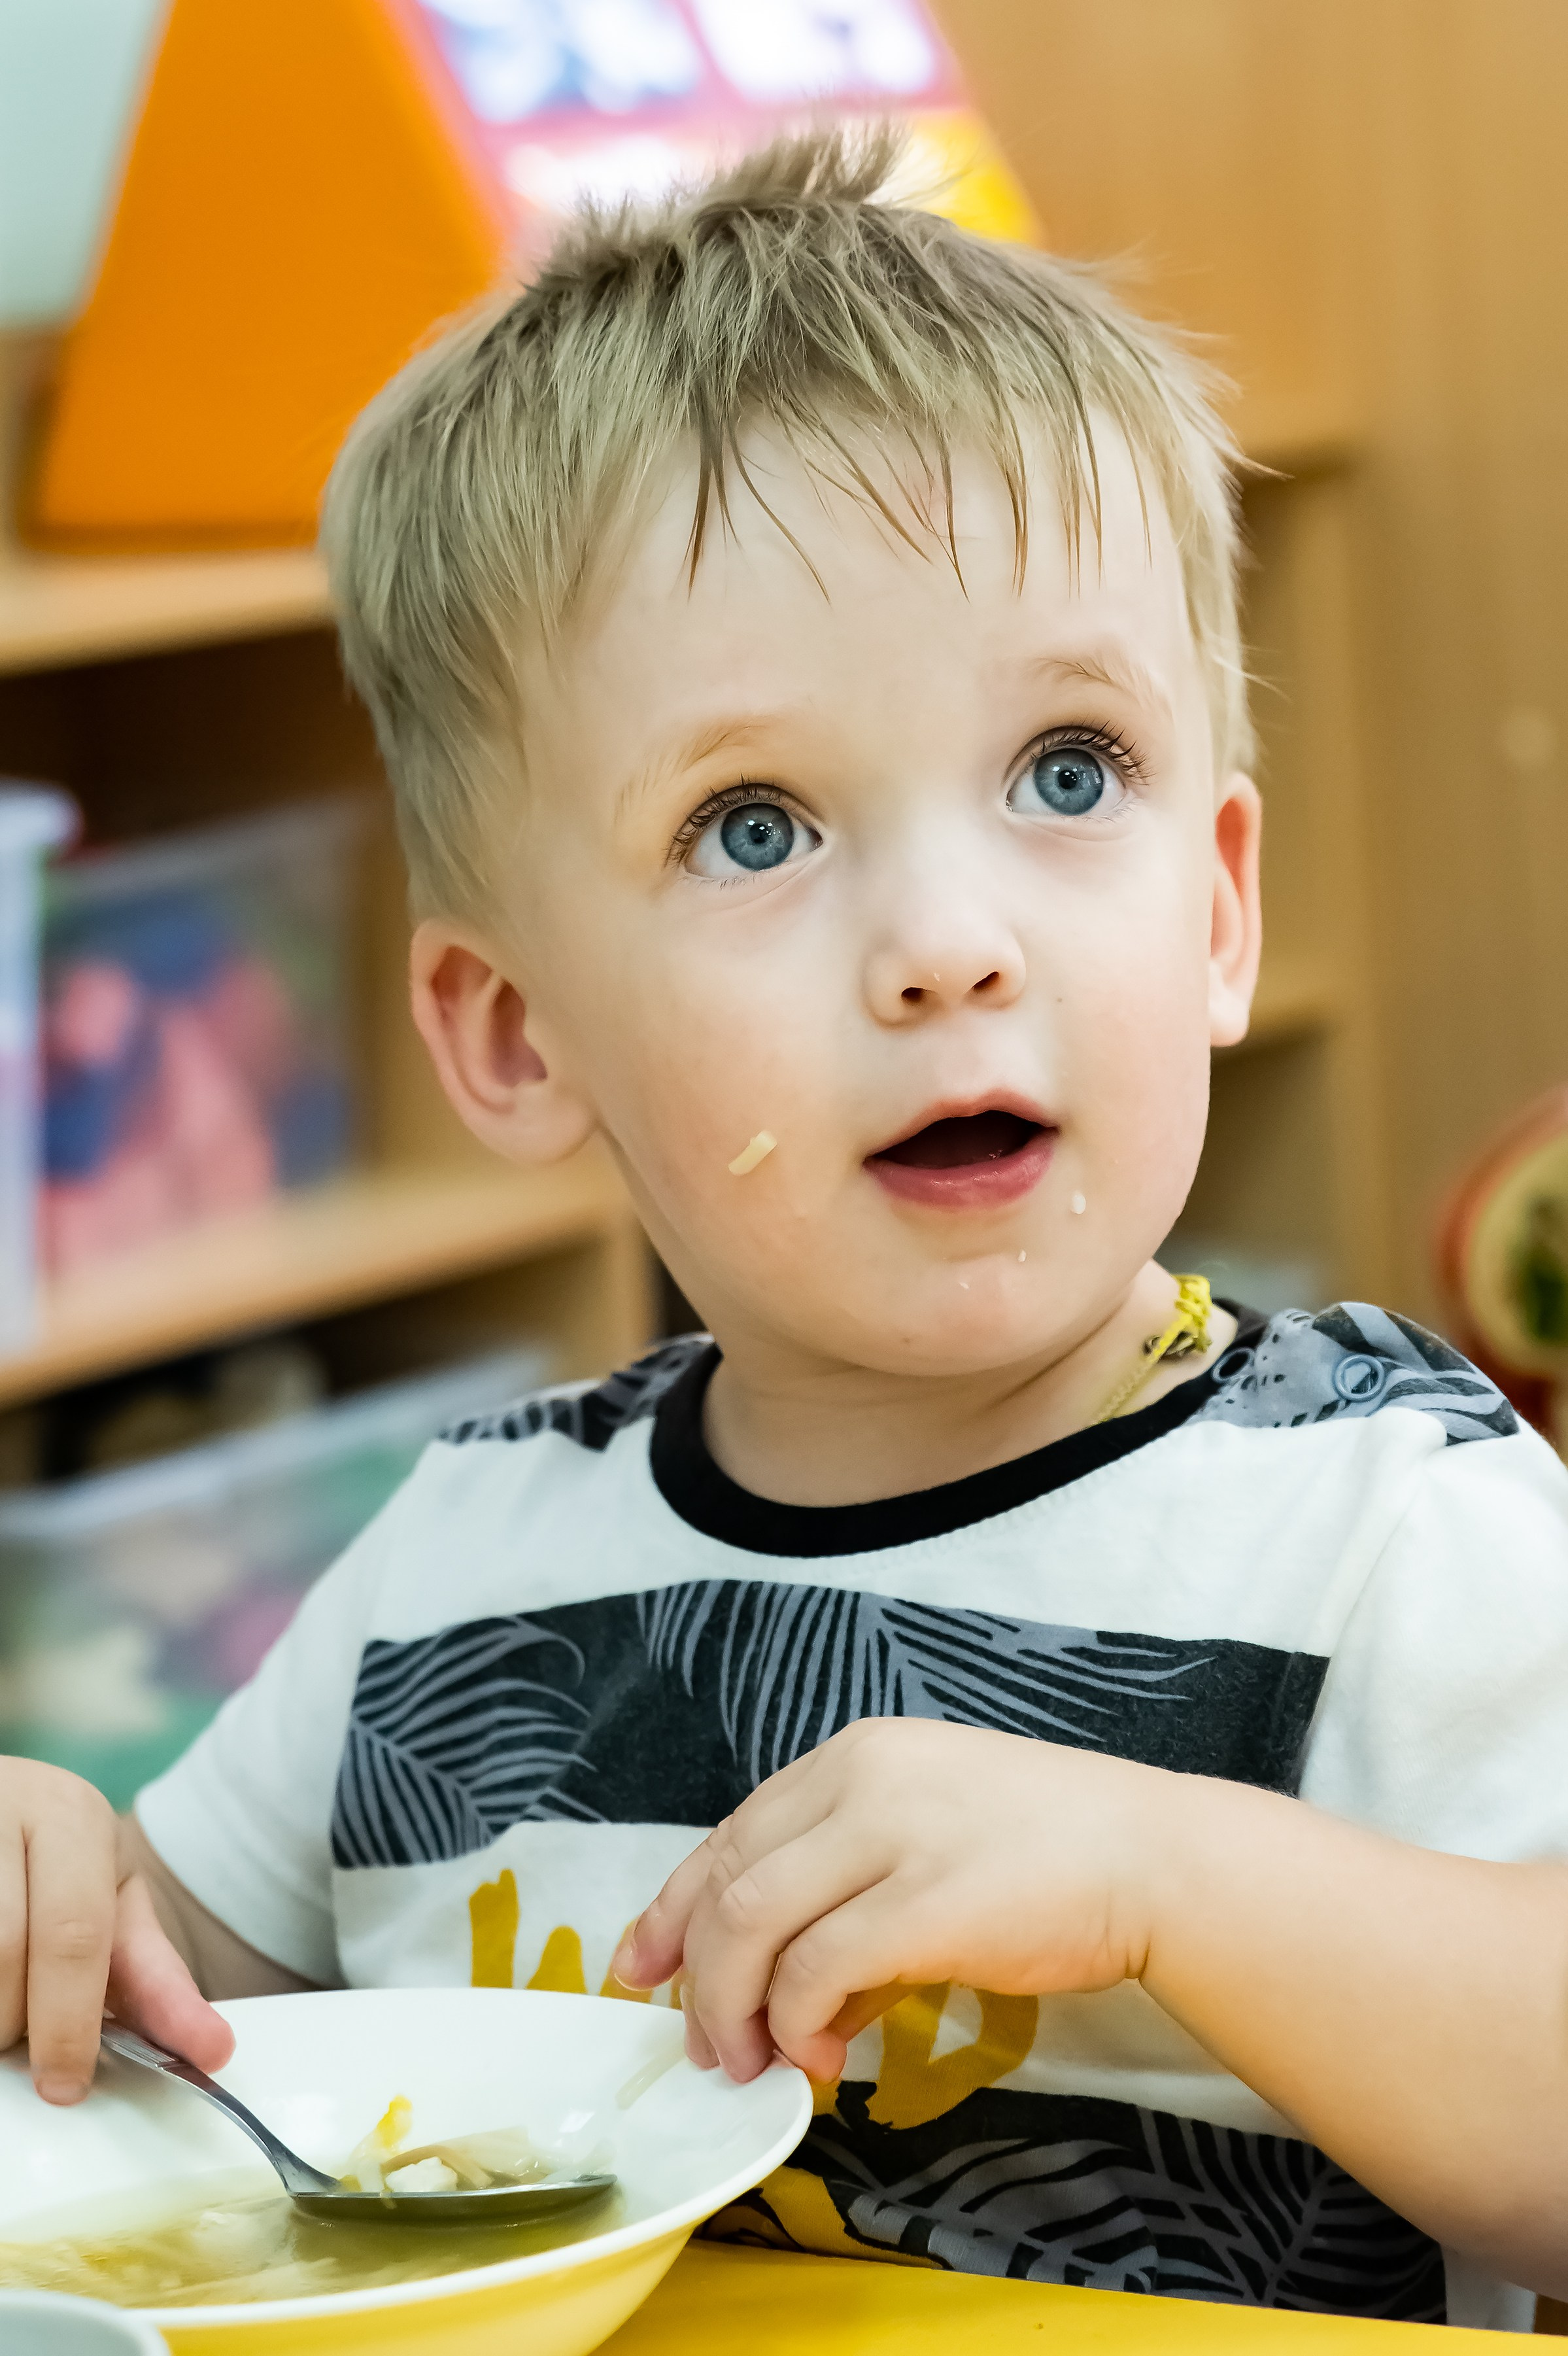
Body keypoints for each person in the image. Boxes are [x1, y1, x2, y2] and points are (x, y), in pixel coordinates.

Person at [6, 130, 1568, 2329]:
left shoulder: (1391, 1518)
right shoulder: (456, 1572)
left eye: (1065, 771)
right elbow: (179, 2037)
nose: (948, 944)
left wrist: (1167, 1875)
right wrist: (59, 1901)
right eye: (756, 825)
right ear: (520, 1032)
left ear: (1220, 907)